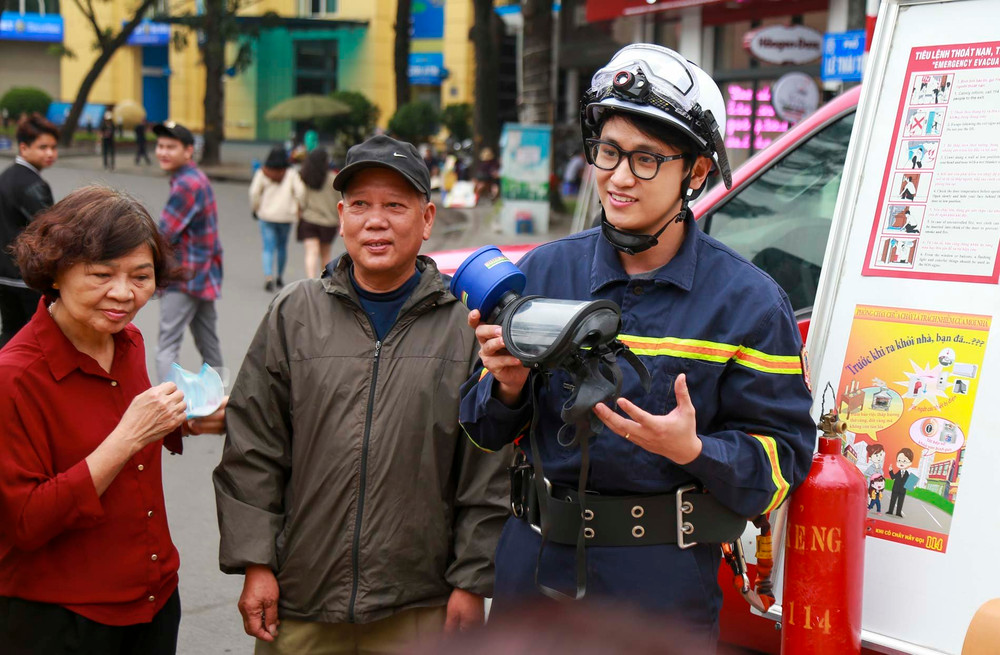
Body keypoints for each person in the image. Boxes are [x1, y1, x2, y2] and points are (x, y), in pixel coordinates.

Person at [458, 44, 815, 647]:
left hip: (661, 589)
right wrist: (506, 388)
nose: (619, 177)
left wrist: (695, 450)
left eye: (646, 159)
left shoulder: (749, 303)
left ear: (696, 173)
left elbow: (784, 463)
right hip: (534, 572)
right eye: (609, 151)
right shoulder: (541, 272)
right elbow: (480, 429)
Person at [214, 134, 509, 655]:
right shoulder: (294, 313)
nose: (376, 222)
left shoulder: (465, 326)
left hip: (420, 605)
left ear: (427, 219)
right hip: (301, 600)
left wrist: (471, 580)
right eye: (360, 206)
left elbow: (487, 466)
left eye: (395, 205)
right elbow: (253, 446)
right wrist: (255, 563)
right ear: (341, 216)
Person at [0, 186, 226, 655]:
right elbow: (25, 522)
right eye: (101, 274)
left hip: (154, 596)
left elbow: (111, 425)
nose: (124, 294)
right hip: (62, 615)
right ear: (55, 272)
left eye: (141, 276)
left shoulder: (128, 340)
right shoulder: (14, 378)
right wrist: (128, 436)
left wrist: (183, 420)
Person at [153, 120, 224, 383]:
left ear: (188, 151)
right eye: (160, 146)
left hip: (183, 277)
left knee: (166, 346)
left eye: (170, 147)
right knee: (209, 344)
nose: (163, 152)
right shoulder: (196, 179)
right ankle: (220, 399)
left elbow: (162, 235)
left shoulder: (186, 185)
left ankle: (168, 403)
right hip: (203, 275)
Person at [0, 113, 58, 348]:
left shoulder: (6, 176)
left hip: (4, 274)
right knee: (42, 337)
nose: (50, 153)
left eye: (53, 147)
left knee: (11, 331)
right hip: (27, 276)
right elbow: (51, 231)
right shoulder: (33, 184)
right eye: (43, 147)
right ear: (24, 148)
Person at [249, 146, 299, 292]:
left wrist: (255, 208)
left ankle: (268, 277)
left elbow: (254, 193)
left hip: (266, 215)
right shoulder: (291, 173)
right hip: (285, 216)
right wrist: (298, 208)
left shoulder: (262, 173)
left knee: (268, 248)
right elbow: (301, 192)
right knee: (282, 247)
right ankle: (280, 277)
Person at [292, 148, 338, 279]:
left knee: (311, 252)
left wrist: (299, 213)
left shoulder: (306, 177)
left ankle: (311, 280)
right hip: (329, 222)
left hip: (309, 220)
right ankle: (325, 281)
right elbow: (340, 199)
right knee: (325, 254)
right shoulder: (333, 179)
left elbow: (301, 198)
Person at [887, 448, 914, 518]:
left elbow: (910, 483)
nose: (901, 463)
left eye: (904, 461)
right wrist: (890, 471)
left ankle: (898, 513)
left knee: (900, 502)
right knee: (892, 500)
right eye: (899, 460)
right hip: (895, 489)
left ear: (910, 463)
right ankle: (890, 511)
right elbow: (893, 477)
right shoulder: (898, 472)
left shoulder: (907, 474)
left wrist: (913, 485)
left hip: (902, 490)